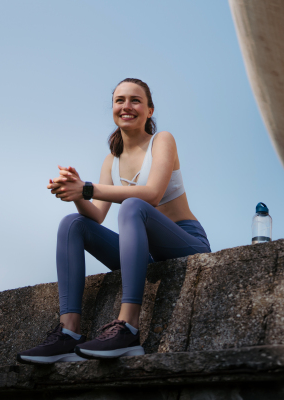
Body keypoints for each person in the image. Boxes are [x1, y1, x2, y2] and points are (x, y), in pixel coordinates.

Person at [17, 78, 211, 364]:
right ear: (113, 108)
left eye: (135, 100)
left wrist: (87, 187)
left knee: (134, 204)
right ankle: (69, 333)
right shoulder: (112, 160)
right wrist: (74, 191)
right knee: (72, 223)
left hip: (184, 242)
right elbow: (96, 215)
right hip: (143, 252)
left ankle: (128, 329)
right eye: (120, 100)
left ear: (149, 110)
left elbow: (153, 195)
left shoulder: (162, 140)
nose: (126, 106)